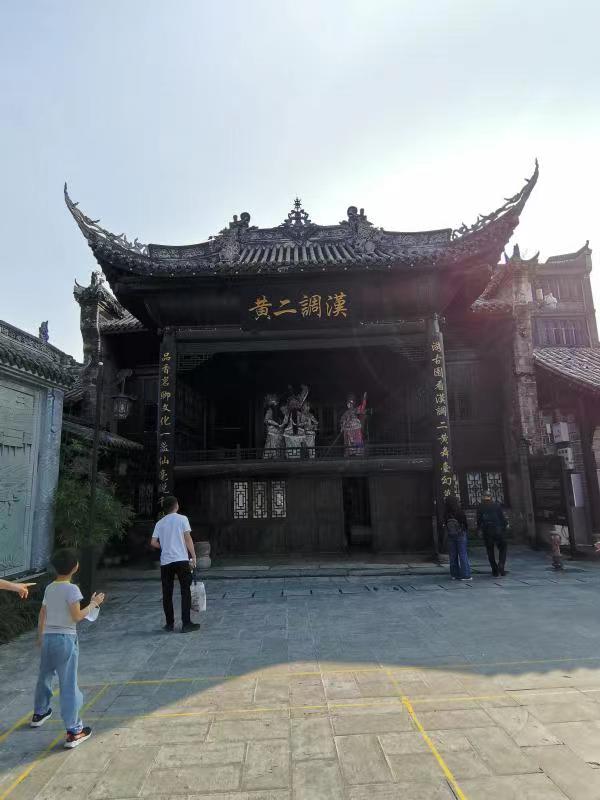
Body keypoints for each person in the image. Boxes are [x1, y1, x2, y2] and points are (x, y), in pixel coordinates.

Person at [31, 548, 104, 749]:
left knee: (44, 676)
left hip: (48, 638)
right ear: (75, 567)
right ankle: (74, 730)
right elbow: (77, 616)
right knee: (68, 684)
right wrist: (94, 603)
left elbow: (42, 613)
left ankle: (39, 713)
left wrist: (40, 636)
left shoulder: (50, 588)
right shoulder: (72, 590)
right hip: (65, 639)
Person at [151, 495, 200, 633]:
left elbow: (153, 542)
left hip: (166, 562)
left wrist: (164, 546)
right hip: (181, 559)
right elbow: (187, 538)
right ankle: (186, 623)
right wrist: (193, 556)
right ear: (176, 505)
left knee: (167, 593)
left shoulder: (159, 523)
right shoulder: (182, 519)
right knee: (185, 591)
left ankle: (169, 624)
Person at [477, 491, 509, 576]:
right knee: (503, 547)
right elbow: (502, 518)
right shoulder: (496, 505)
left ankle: (494, 570)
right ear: (490, 497)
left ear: (483, 497)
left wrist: (479, 530)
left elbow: (479, 520)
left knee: (490, 550)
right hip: (498, 530)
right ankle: (501, 564)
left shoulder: (480, 507)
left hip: (487, 531)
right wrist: (505, 526)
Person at [444, 496, 472, 581]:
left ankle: (454, 574)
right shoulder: (460, 511)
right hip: (460, 534)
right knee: (463, 554)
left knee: (453, 555)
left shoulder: (446, 513)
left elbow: (445, 523)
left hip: (451, 535)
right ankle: (466, 575)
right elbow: (465, 523)